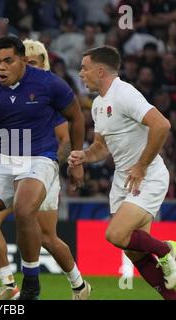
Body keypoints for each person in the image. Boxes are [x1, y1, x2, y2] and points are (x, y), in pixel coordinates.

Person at [0, 36, 85, 300]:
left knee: (25, 211)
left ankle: (31, 285)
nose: (2, 68)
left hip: (40, 157)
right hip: (4, 157)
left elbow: (76, 117)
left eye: (8, 61)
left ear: (22, 61)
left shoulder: (49, 83)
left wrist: (76, 160)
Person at [0, 39, 90, 300]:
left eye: (32, 62)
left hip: (40, 167)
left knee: (46, 237)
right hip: (11, 165)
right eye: (25, 61)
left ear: (42, 64)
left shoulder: (50, 96)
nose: (27, 67)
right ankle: (9, 284)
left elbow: (64, 139)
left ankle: (78, 285)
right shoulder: (8, 89)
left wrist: (54, 165)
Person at [69, 45, 176, 300]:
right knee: (134, 252)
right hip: (123, 180)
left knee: (116, 234)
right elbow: (101, 147)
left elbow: (162, 125)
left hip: (146, 175)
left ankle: (166, 249)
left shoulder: (124, 93)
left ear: (100, 70)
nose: (81, 73)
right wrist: (85, 155)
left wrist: (141, 165)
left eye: (85, 68)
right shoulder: (97, 104)